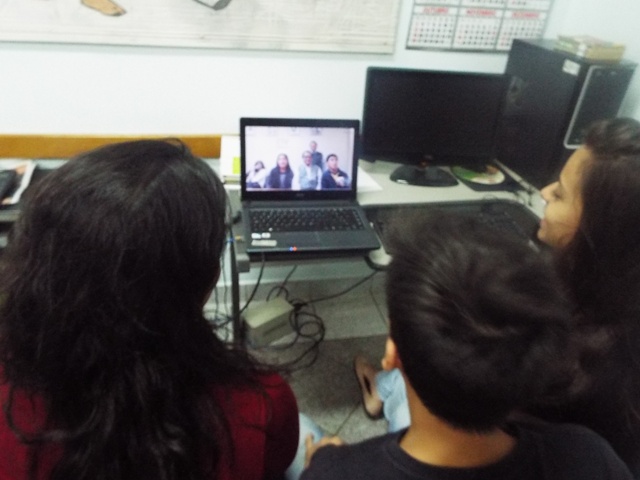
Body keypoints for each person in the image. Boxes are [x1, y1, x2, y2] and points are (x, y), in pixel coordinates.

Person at [354, 117, 640, 477]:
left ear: (598, 227)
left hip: (492, 445)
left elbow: (470, 419)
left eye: (561, 194)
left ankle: (386, 387)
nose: (545, 192)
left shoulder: (575, 371)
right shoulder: (610, 296)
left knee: (420, 371)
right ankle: (383, 387)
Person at [0, 139, 299, 480]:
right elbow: (278, 460)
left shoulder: (11, 383)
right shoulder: (263, 403)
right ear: (205, 285)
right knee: (310, 435)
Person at [302, 212, 632, 480]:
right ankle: (381, 391)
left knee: (305, 430)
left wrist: (323, 463)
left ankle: (382, 390)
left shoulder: (335, 471)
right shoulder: (590, 456)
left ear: (392, 354)